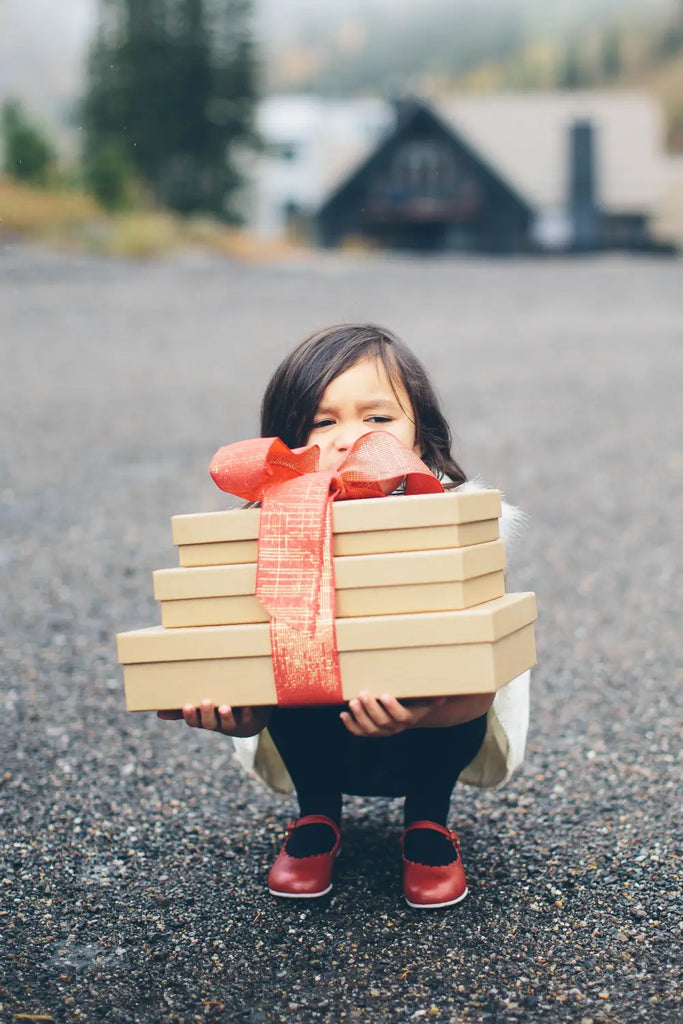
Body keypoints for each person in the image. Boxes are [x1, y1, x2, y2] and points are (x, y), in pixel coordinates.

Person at [158, 324, 529, 908]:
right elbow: (244, 662)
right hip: (315, 725)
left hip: (434, 723)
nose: (349, 438)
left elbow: (482, 685)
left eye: (378, 419)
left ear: (419, 433)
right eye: (323, 422)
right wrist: (238, 712)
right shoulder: (264, 531)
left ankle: (428, 820)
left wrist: (422, 710)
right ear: (287, 437)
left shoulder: (455, 525)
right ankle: (317, 816)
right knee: (290, 650)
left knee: (454, 656)